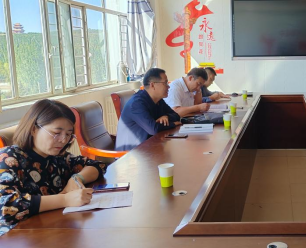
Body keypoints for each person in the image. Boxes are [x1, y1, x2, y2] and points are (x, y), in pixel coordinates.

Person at [0, 100, 107, 237]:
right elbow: (7, 206)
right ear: (33, 129)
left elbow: (97, 165)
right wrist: (64, 200)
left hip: (51, 230)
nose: (63, 140)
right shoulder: (8, 158)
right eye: (57, 133)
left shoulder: (57, 157)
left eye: (68, 134)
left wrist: (77, 178)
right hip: (16, 239)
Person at [115, 68, 181, 152]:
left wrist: (166, 116)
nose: (168, 86)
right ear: (152, 85)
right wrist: (173, 124)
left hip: (149, 147)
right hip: (130, 154)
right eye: (165, 83)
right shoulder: (136, 104)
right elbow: (153, 129)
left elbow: (176, 116)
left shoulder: (158, 100)